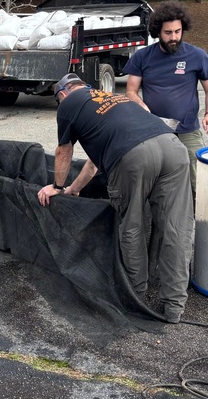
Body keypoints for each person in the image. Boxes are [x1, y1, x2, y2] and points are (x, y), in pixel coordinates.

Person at [37, 73, 195, 323]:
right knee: (177, 228)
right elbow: (93, 163)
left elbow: (63, 150)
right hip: (173, 148)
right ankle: (174, 306)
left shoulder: (68, 104)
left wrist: (57, 186)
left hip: (133, 158)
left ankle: (135, 295)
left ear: (63, 94)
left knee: (132, 226)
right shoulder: (113, 99)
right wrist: (74, 188)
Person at [125, 0, 208, 197]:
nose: (174, 37)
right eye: (168, 33)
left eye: (178, 31)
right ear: (158, 31)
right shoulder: (142, 57)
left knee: (199, 181)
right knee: (154, 179)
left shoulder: (196, 55)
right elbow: (131, 91)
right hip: (155, 131)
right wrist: (140, 105)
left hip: (188, 130)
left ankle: (199, 222)